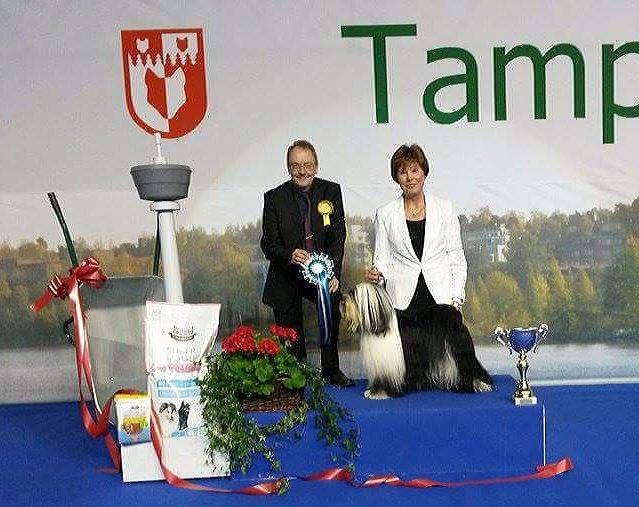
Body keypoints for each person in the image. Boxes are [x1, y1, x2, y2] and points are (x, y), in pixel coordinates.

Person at [261, 140, 354, 387]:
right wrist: (289, 255)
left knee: (331, 298)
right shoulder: (274, 198)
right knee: (290, 333)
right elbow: (268, 244)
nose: (302, 171)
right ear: (288, 167)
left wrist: (333, 273)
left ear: (316, 165)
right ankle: (297, 373)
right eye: (296, 166)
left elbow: (337, 237)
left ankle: (331, 369)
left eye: (307, 165)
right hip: (287, 273)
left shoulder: (331, 191)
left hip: (322, 272)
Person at [365, 144, 467, 330]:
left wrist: (457, 300)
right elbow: (381, 261)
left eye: (414, 170)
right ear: (396, 178)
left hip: (441, 304)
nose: (410, 177)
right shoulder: (385, 214)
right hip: (401, 306)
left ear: (424, 172)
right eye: (403, 172)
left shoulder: (445, 209)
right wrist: (377, 276)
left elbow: (457, 259)